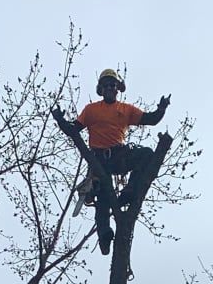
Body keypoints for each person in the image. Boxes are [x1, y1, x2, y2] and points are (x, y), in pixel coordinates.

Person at [53, 70, 169, 253]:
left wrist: (161, 109)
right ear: (101, 89)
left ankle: (130, 189)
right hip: (98, 160)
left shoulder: (125, 110)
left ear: (117, 89)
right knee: (103, 199)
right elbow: (73, 130)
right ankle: (105, 235)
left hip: (118, 155)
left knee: (146, 154)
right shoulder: (91, 110)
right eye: (106, 85)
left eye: (112, 85)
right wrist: (60, 120)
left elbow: (150, 119)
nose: (110, 88)